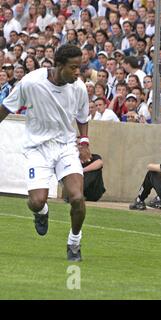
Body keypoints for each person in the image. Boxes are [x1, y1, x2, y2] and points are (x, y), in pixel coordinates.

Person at [0, 44, 90, 262]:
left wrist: (84, 141)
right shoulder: (31, 82)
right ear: (59, 65)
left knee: (77, 197)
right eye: (73, 67)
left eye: (80, 67)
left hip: (66, 147)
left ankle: (74, 242)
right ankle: (41, 213)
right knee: (37, 201)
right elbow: (7, 107)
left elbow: (82, 117)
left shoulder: (79, 88)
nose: (78, 72)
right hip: (37, 148)